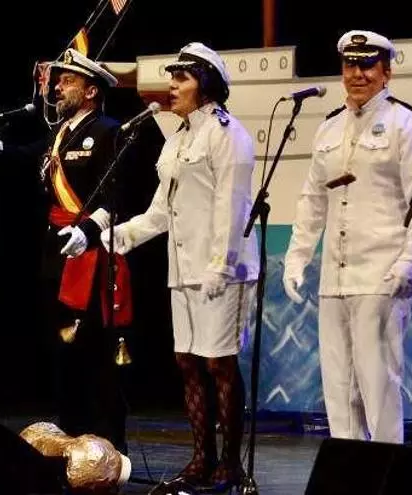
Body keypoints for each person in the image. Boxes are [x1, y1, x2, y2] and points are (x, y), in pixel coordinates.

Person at [0, 48, 165, 454]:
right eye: (58, 80)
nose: (58, 88)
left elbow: (118, 195)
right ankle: (71, 440)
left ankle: (107, 447)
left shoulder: (109, 131)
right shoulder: (60, 133)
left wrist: (89, 230)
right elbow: (22, 156)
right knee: (63, 353)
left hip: (92, 252)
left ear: (91, 91)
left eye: (68, 81)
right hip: (57, 252)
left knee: (95, 353)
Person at [103, 43, 259, 489]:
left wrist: (219, 266)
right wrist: (118, 237)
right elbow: (161, 212)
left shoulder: (228, 134)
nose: (171, 86)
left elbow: (233, 208)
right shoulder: (177, 140)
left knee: (220, 365)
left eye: (182, 79)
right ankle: (200, 460)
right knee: (188, 362)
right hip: (184, 269)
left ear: (205, 84)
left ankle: (230, 464)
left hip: (222, 272)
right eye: (171, 77)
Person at [283, 30, 412, 445]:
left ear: (387, 72)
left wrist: (411, 259)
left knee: (378, 382)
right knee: (338, 385)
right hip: (335, 275)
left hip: (382, 274)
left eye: (367, 65)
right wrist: (297, 257)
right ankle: (348, 469)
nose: (358, 74)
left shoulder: (407, 125)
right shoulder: (329, 127)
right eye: (350, 65)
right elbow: (313, 200)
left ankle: (386, 468)